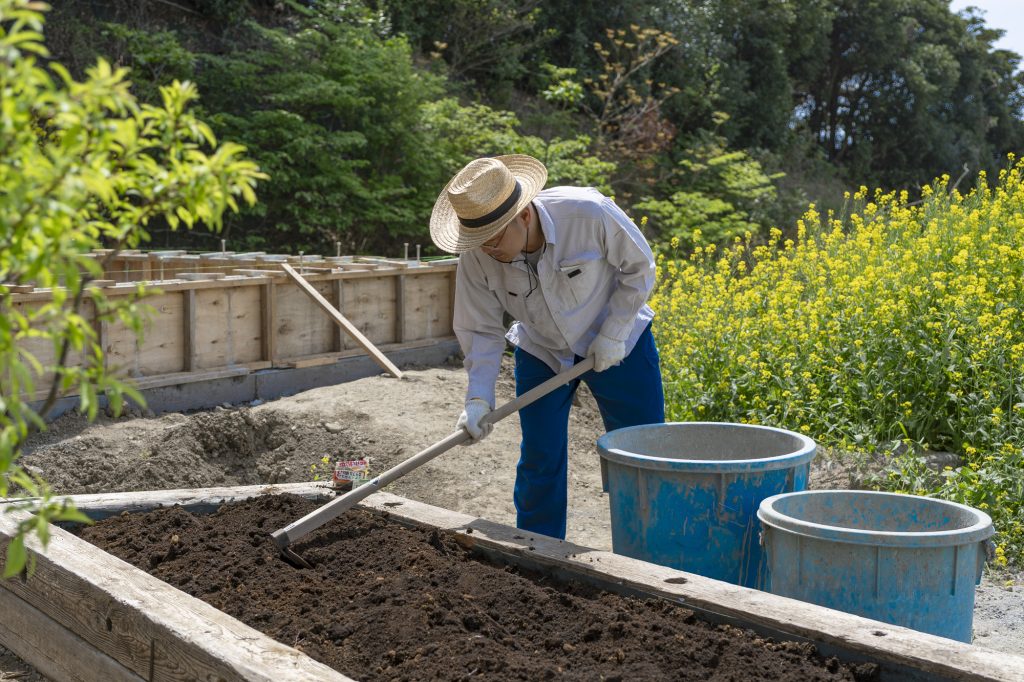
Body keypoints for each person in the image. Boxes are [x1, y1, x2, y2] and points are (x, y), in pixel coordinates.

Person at [430, 154, 665, 540]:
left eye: (494, 238)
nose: (488, 250)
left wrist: (613, 333)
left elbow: (640, 268)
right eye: (479, 241)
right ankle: (538, 552)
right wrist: (477, 399)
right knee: (540, 456)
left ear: (523, 215)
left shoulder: (588, 214)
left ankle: (652, 548)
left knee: (643, 451)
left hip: (618, 342)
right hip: (542, 348)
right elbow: (480, 329)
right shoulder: (477, 256)